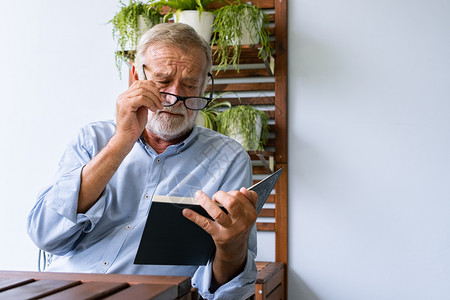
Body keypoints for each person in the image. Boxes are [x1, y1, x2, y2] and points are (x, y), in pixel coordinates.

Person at [27, 23, 258, 299]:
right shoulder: (93, 138)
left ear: (204, 85)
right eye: (162, 81)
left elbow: (227, 293)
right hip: (66, 290)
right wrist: (121, 141)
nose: (176, 98)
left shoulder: (229, 159)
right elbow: (45, 235)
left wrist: (233, 246)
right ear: (137, 76)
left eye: (189, 84)